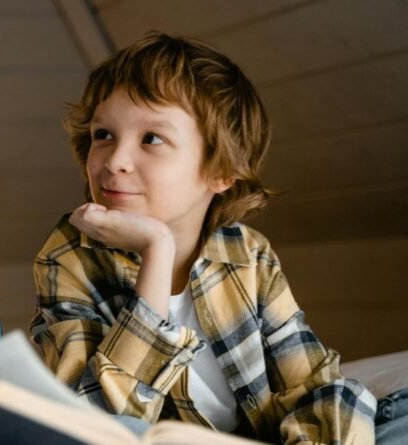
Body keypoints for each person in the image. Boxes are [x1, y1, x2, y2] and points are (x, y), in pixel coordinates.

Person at [29, 32, 383, 444]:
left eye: (151, 139)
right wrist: (156, 251)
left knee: (364, 403)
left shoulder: (248, 254)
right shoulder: (69, 255)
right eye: (103, 134)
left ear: (221, 173)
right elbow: (92, 418)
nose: (115, 161)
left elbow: (310, 384)